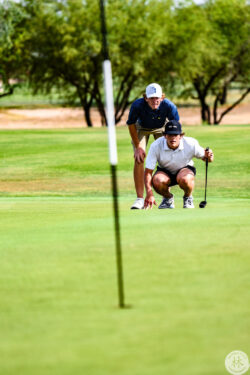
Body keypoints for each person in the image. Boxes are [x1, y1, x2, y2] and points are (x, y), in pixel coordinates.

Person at [127, 83, 180, 209]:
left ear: (162, 97)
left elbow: (176, 125)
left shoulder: (169, 106)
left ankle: (167, 198)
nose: (154, 101)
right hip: (141, 128)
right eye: (151, 98)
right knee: (139, 158)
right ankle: (140, 199)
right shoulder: (137, 105)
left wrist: (174, 143)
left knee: (166, 158)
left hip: (162, 127)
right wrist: (138, 146)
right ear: (146, 98)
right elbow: (131, 124)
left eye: (157, 98)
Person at [144, 120, 214, 209]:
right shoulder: (156, 145)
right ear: (165, 135)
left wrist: (210, 156)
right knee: (157, 180)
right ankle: (168, 199)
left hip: (184, 169)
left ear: (181, 136)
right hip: (164, 171)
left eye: (175, 135)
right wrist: (149, 193)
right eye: (170, 135)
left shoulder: (190, 143)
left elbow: (206, 158)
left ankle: (188, 197)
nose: (173, 138)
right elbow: (148, 172)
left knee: (185, 179)